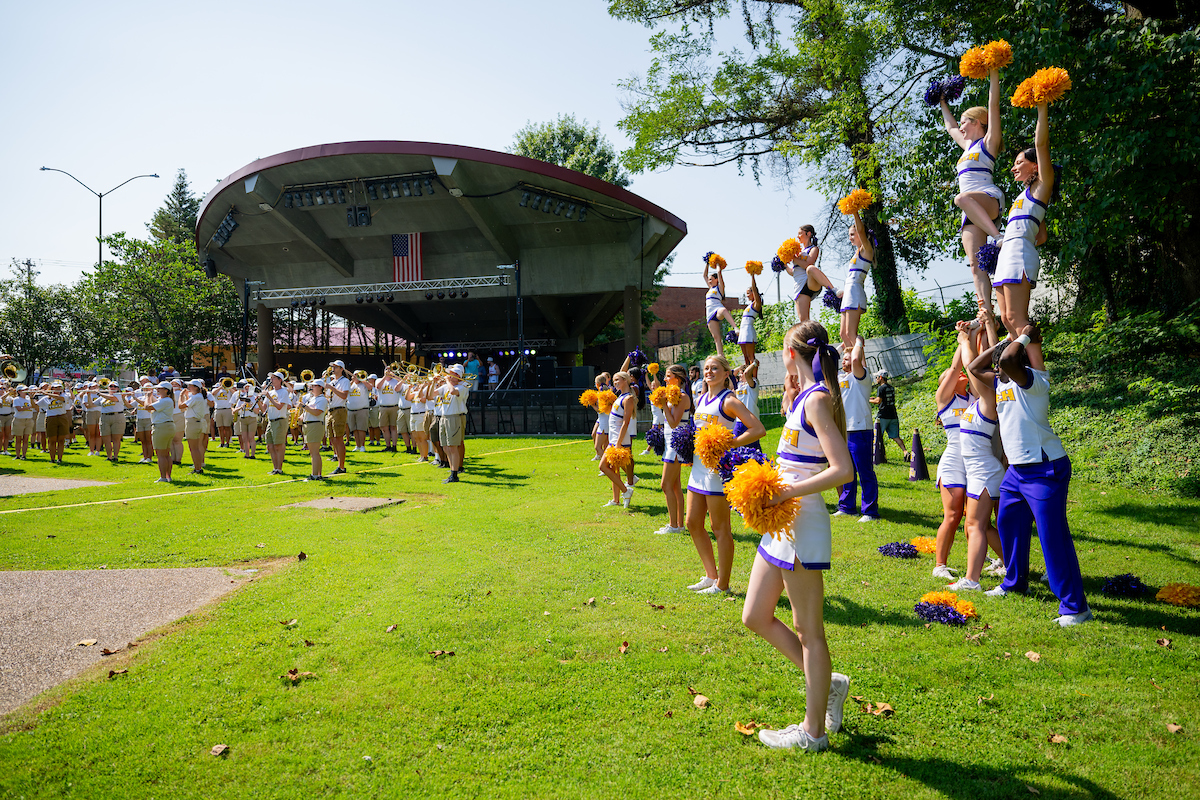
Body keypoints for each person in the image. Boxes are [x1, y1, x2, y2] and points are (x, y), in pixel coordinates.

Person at [746, 320, 854, 751]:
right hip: (780, 522)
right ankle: (828, 683)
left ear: (791, 354)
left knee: (809, 630)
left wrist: (785, 491)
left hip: (800, 522)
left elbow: (843, 470)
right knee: (754, 615)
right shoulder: (803, 398)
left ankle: (813, 733)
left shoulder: (818, 400)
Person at [980, 323, 1091, 626]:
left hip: (1045, 469)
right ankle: (1015, 582)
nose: (998, 365)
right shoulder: (1001, 384)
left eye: (1004, 360)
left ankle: (1075, 608)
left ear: (1018, 363)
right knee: (1008, 524)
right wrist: (1004, 340)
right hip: (1016, 471)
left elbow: (1007, 361)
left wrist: (1023, 335)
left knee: (1052, 537)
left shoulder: (1034, 382)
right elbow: (975, 367)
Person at [685, 354, 765, 595]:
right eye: (706, 368)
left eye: (715, 368)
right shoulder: (701, 398)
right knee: (692, 523)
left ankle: (723, 584)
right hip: (698, 468)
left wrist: (730, 444)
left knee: (720, 528)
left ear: (726, 373)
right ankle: (711, 575)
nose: (709, 372)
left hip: (716, 472)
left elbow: (757, 429)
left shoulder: (729, 400)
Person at [939, 67, 1005, 314]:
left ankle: (999, 237)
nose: (961, 126)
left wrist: (994, 73)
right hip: (971, 210)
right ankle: (985, 311)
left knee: (961, 197)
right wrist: (942, 101)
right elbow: (950, 127)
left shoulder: (988, 142)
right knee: (975, 265)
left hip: (986, 198)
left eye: (964, 121)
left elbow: (994, 106)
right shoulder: (966, 145)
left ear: (977, 122)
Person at [993, 101, 1056, 343]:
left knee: (1017, 318)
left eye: (1019, 162)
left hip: (1018, 252)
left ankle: (1036, 373)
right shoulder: (1024, 196)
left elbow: (1041, 144)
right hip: (1009, 252)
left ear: (1036, 166)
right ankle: (1017, 373)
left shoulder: (1042, 186)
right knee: (1007, 320)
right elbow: (1042, 237)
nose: (1013, 168)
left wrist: (1041, 106)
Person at [955, 313, 1008, 589]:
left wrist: (965, 340)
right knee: (980, 526)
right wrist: (972, 332)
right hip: (980, 471)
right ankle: (1015, 567)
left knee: (976, 525)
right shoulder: (977, 402)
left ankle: (971, 580)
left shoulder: (990, 400)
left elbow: (972, 366)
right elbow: (971, 364)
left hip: (985, 471)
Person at [931, 329, 974, 580]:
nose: (958, 374)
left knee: (973, 517)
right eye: (950, 375)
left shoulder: (974, 396)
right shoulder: (945, 398)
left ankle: (977, 561)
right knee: (953, 515)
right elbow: (957, 363)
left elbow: (972, 364)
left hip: (975, 462)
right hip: (953, 463)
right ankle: (940, 565)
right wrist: (962, 338)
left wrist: (973, 334)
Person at [835, 335, 880, 521]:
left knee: (864, 471)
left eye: (848, 358)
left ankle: (870, 511)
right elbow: (823, 364)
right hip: (844, 431)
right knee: (847, 471)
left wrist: (859, 342)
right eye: (843, 359)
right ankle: (847, 507)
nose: (845, 361)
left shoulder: (862, 377)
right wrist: (840, 348)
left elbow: (855, 359)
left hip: (860, 429)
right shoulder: (839, 378)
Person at [656, 364, 693, 536]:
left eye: (668, 376)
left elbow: (673, 423)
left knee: (666, 485)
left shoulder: (682, 396)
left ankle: (673, 525)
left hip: (675, 445)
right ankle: (678, 525)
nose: (665, 379)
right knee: (676, 487)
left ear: (677, 379)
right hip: (670, 442)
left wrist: (663, 404)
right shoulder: (674, 395)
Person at [600, 371, 639, 508]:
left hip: (620, 440)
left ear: (625, 380)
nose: (615, 382)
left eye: (618, 380)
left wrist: (617, 443)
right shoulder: (619, 396)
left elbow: (625, 422)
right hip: (614, 438)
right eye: (614, 380)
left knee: (603, 466)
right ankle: (616, 499)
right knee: (613, 469)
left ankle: (626, 490)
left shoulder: (628, 398)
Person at [786, 225, 839, 323]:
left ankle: (833, 290)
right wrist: (784, 264)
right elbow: (794, 272)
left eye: (800, 234)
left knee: (811, 268)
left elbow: (808, 264)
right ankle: (812, 337)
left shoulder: (813, 249)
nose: (798, 236)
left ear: (808, 233)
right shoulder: (798, 252)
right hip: (799, 287)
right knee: (804, 321)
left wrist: (794, 258)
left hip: (811, 282)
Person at [839, 208, 875, 353]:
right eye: (849, 235)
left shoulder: (867, 249)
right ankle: (853, 368)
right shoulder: (857, 251)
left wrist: (855, 213)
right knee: (843, 334)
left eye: (852, 234)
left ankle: (862, 369)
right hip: (848, 293)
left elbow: (860, 230)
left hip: (855, 292)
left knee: (851, 334)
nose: (850, 238)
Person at [136, 382, 177, 483]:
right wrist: (149, 396)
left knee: (161, 454)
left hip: (161, 427)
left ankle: (163, 477)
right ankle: (168, 476)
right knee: (166, 454)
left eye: (160, 388)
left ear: (166, 390)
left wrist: (147, 397)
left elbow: (147, 407)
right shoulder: (165, 400)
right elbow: (154, 403)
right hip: (167, 426)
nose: (157, 390)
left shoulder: (166, 400)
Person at [869, 370, 909, 461]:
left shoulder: (881, 388)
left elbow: (878, 401)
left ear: (881, 378)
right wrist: (874, 398)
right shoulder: (891, 387)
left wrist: (868, 400)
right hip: (893, 415)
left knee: (877, 436)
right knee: (895, 436)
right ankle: (905, 452)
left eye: (877, 377)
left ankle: (876, 456)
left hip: (883, 416)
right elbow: (884, 399)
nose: (876, 379)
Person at [439, 365, 469, 483]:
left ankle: (454, 474)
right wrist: (432, 383)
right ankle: (452, 471)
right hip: (444, 417)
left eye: (451, 374)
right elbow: (430, 396)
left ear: (457, 376)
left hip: (454, 417)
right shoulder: (445, 386)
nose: (449, 376)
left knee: (453, 446)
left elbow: (453, 391)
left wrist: (446, 381)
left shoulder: (463, 386)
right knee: (446, 447)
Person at [703, 257, 738, 358]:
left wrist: (717, 263)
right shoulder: (710, 288)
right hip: (709, 313)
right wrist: (707, 263)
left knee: (723, 310)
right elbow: (704, 275)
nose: (709, 281)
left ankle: (735, 328)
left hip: (717, 310)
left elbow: (719, 273)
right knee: (716, 338)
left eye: (711, 279)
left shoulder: (719, 288)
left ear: (716, 280)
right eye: (708, 280)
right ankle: (721, 356)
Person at [262, 372, 291, 475]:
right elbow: (263, 409)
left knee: (278, 445)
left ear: (280, 380)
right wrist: (258, 401)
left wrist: (269, 397)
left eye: (274, 378)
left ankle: (279, 468)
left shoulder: (284, 392)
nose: (271, 380)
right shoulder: (270, 392)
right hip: (271, 420)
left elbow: (279, 406)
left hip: (280, 420)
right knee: (270, 446)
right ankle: (275, 468)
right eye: (271, 378)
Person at [325, 360, 351, 474]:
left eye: (335, 367)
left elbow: (344, 395)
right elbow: (329, 397)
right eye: (332, 367)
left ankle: (341, 467)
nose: (333, 369)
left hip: (339, 410)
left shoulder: (345, 381)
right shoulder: (333, 381)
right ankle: (337, 461)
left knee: (339, 439)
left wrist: (331, 388)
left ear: (341, 369)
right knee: (332, 439)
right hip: (331, 410)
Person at [183, 379, 212, 474]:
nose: (188, 387)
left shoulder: (197, 397)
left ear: (196, 387)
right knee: (197, 446)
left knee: (194, 448)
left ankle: (198, 468)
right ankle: (198, 466)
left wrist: (180, 396)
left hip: (193, 422)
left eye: (190, 386)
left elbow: (180, 406)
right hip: (197, 422)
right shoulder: (199, 396)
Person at [301, 379, 328, 481]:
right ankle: (318, 474)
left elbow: (317, 412)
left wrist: (304, 406)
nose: (311, 388)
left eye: (314, 386)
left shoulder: (322, 399)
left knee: (314, 452)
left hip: (315, 425)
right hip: (310, 424)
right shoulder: (312, 398)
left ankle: (314, 475)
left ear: (320, 387)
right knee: (314, 452)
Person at [732, 360, 761, 453]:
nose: (739, 375)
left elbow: (747, 373)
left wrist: (754, 363)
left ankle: (760, 465)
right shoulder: (739, 385)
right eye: (739, 374)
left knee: (753, 449)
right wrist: (742, 366)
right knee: (735, 446)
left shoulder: (753, 384)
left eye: (741, 374)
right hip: (739, 421)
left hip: (751, 421)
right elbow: (731, 374)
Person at [738, 274, 764, 368]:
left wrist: (752, 276)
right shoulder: (748, 306)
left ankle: (754, 379)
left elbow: (754, 287)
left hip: (749, 331)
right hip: (742, 332)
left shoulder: (756, 304)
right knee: (746, 359)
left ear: (754, 293)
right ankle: (746, 379)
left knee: (751, 358)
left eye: (749, 293)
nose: (747, 295)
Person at [377, 367, 403, 453]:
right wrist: (385, 377)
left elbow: (404, 381)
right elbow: (378, 386)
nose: (388, 371)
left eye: (390, 370)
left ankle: (394, 446)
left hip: (394, 406)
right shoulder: (379, 380)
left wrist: (394, 376)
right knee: (384, 427)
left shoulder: (395, 380)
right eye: (387, 370)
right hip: (383, 407)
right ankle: (388, 445)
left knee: (393, 427)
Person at [347, 371, 371, 453]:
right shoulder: (350, 384)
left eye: (358, 375)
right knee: (354, 429)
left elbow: (370, 387)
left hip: (362, 409)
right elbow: (345, 389)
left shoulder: (363, 384)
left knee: (361, 429)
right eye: (355, 375)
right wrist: (352, 381)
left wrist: (363, 379)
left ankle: (363, 446)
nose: (357, 377)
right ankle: (357, 445)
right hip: (351, 409)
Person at [133, 376, 155, 464]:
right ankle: (145, 456)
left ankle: (149, 457)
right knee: (142, 440)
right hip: (140, 420)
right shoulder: (141, 397)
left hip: (149, 420)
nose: (147, 390)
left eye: (149, 388)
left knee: (148, 440)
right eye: (145, 388)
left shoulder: (153, 398)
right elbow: (129, 405)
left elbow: (145, 404)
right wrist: (124, 398)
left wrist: (135, 398)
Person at [591, 372, 611, 462]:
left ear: (597, 384)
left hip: (604, 422)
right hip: (607, 420)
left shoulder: (601, 393)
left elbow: (600, 410)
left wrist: (592, 404)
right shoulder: (607, 391)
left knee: (598, 447)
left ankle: (607, 465)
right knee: (606, 445)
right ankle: (608, 465)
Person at [10, 385, 34, 460]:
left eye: (26, 390)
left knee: (26, 438)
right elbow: (19, 409)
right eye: (23, 390)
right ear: (19, 392)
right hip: (19, 420)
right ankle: (17, 455)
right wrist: (30, 407)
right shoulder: (17, 399)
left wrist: (32, 397)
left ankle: (24, 455)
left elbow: (36, 406)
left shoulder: (29, 398)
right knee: (18, 439)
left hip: (28, 420)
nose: (25, 391)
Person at [211, 378, 235, 448]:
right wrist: (221, 387)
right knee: (220, 427)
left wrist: (229, 387)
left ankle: (227, 443)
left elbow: (235, 393)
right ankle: (222, 443)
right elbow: (213, 393)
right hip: (218, 409)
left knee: (227, 427)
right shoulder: (216, 389)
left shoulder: (229, 390)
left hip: (227, 409)